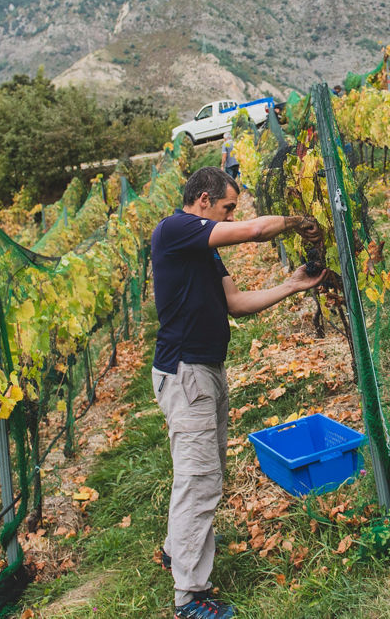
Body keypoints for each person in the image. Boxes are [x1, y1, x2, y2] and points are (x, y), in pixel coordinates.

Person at [150, 166, 325, 619]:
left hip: (205, 369)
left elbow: (236, 304)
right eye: (228, 208)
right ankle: (189, 597)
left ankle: (176, 550)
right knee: (198, 478)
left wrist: (290, 286)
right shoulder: (176, 228)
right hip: (186, 372)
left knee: (206, 470)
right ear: (204, 201)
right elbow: (253, 231)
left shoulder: (202, 250)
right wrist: (294, 221)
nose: (231, 217)